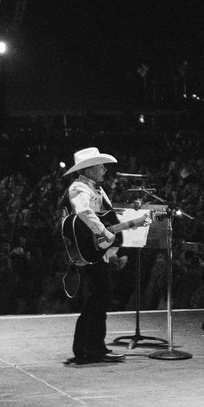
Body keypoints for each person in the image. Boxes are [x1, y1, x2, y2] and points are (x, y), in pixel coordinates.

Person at [63, 147, 126, 364]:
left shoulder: (96, 188)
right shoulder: (79, 187)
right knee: (98, 297)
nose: (105, 169)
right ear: (89, 170)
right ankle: (90, 347)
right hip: (87, 251)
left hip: (97, 251)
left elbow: (102, 214)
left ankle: (88, 346)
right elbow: (84, 212)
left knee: (99, 297)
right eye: (100, 165)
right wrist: (103, 231)